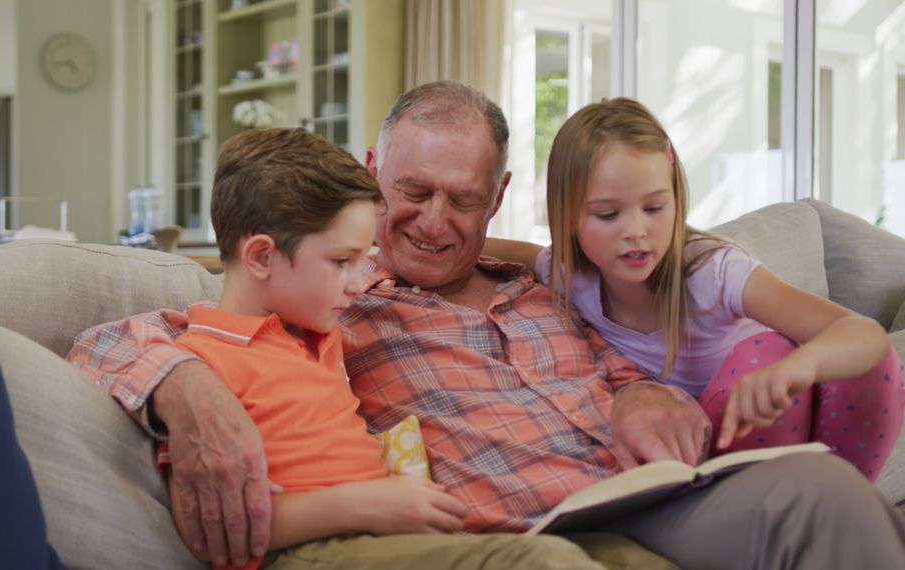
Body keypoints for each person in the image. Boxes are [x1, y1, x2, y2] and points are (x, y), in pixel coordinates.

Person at [69, 81, 905, 569]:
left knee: (822, 495)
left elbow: (633, 332)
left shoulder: (553, 282)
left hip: (639, 491)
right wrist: (185, 390)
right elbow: (122, 333)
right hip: (519, 529)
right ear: (372, 175)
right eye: (413, 193)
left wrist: (641, 392)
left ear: (497, 198)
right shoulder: (328, 291)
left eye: (462, 200)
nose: (434, 222)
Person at [156, 127, 636, 570]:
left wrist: (536, 257)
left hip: (387, 535)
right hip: (310, 551)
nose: (356, 282)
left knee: (632, 557)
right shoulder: (199, 364)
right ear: (261, 256)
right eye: (342, 262)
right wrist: (365, 504)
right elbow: (203, 525)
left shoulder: (314, 335)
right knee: (545, 564)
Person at [483, 97, 904, 480]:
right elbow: (482, 245)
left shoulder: (712, 272)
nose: (636, 231)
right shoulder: (568, 274)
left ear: (676, 198)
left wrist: (799, 367)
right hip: (706, 454)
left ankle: (839, 515)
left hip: (785, 415)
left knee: (794, 357)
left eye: (654, 208)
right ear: (567, 216)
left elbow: (863, 334)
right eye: (608, 215)